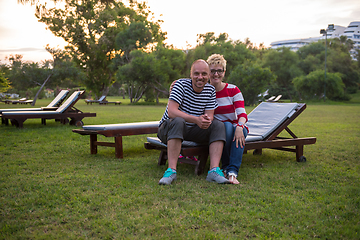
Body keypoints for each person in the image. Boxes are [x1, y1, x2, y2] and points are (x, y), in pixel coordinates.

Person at [157, 59, 229, 185]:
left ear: (209, 75)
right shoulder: (180, 85)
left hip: (191, 130)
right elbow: (172, 112)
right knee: (178, 121)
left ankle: (214, 170)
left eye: (204, 74)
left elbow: (210, 115)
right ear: (191, 74)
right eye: (196, 74)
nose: (200, 77)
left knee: (218, 124)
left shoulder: (210, 90)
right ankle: (171, 171)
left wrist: (205, 121)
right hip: (168, 129)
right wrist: (196, 119)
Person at [207, 54, 248, 184]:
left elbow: (242, 114)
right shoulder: (205, 91)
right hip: (217, 129)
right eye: (212, 71)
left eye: (219, 71)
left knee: (235, 130)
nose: (216, 74)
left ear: (224, 72)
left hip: (237, 126)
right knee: (227, 127)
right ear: (208, 72)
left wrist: (240, 127)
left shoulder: (233, 90)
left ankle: (231, 171)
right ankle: (227, 168)